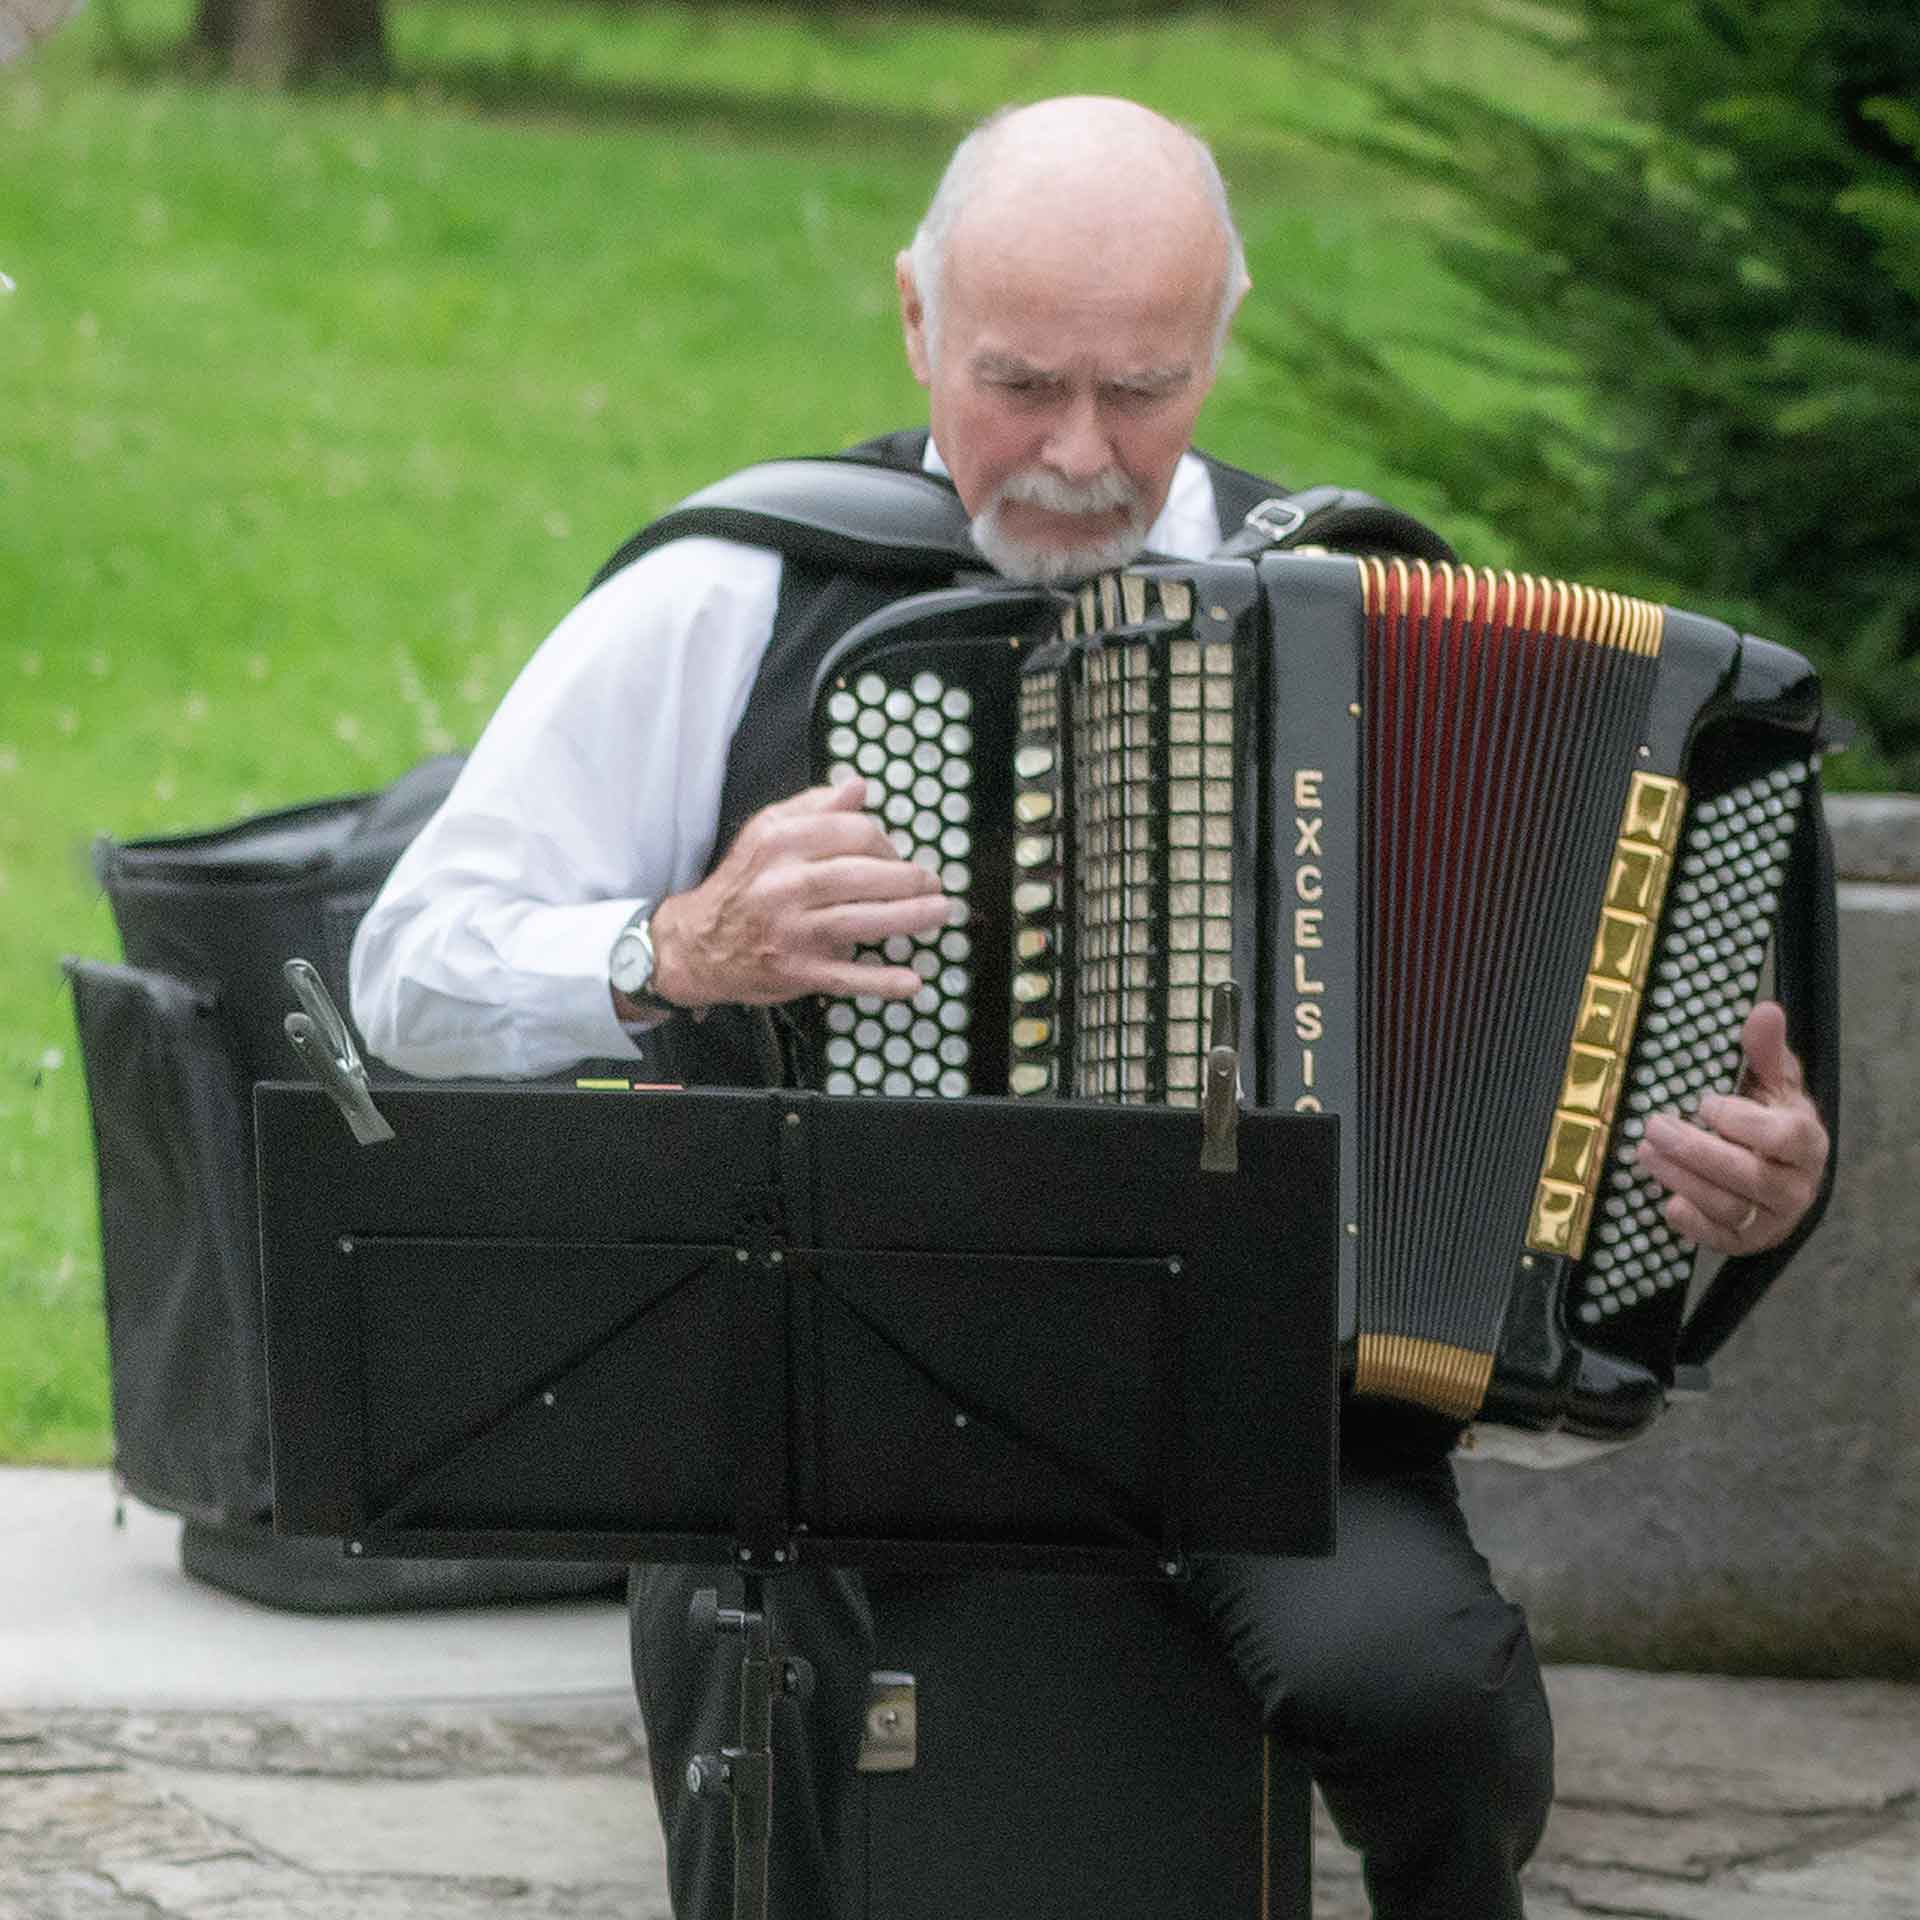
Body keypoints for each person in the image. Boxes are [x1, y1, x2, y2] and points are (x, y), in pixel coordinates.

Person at [351, 96, 1832, 1920]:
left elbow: (1567, 1102)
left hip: (1263, 1395)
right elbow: (407, 969)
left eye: (1140, 390)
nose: (1072, 453)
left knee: (1431, 1694)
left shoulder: (1369, 599)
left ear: (1221, 336)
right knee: (765, 1665)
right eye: (1018, 381)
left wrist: (1718, 1187)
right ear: (913, 319)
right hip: (839, 1367)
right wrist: (675, 944)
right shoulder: (740, 592)